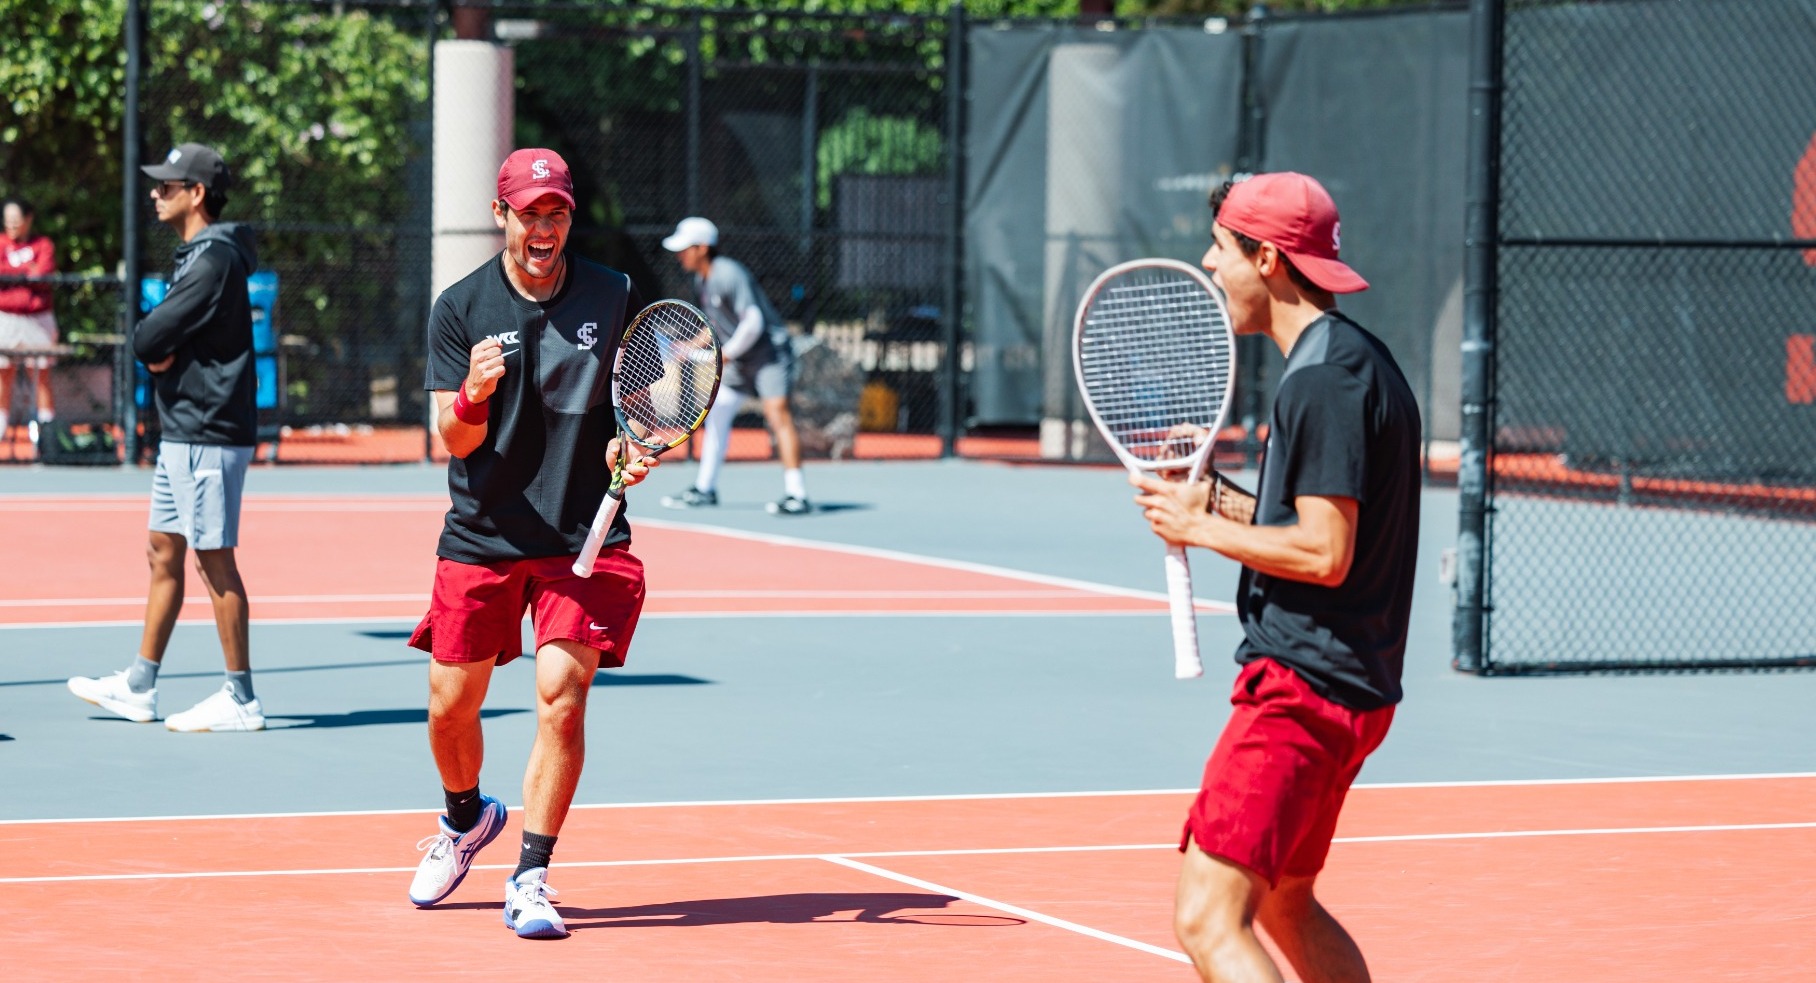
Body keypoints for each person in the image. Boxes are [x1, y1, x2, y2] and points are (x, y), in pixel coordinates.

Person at [1130, 172, 1420, 983]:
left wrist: (1199, 526)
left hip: (1302, 691)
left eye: (1220, 247)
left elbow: (1325, 553)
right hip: (1350, 685)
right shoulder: (1353, 361)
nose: (1207, 262)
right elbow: (1313, 520)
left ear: (1266, 256)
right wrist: (1214, 492)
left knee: (1207, 918)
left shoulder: (1322, 381)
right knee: (1288, 901)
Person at [405, 148, 659, 940]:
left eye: (556, 214)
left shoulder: (613, 293)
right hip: (482, 530)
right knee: (451, 709)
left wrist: (635, 445)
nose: (543, 228)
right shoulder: (459, 307)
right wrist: (475, 392)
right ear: (501, 216)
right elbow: (453, 436)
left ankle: (532, 873)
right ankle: (464, 818)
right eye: (529, 214)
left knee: (562, 698)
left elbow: (640, 400)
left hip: (581, 535)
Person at [66, 143, 264, 733]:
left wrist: (155, 352)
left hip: (208, 428)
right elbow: (157, 339)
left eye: (167, 186)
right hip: (184, 427)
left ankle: (241, 698)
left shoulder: (213, 260)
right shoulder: (199, 255)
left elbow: (149, 337)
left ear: (196, 194)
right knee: (163, 547)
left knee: (213, 559)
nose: (155, 193)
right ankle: (139, 685)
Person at [658, 216, 811, 515]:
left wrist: (725, 354)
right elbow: (715, 324)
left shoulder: (728, 273)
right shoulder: (703, 279)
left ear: (702, 248)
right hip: (740, 360)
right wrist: (688, 347)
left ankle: (797, 494)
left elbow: (753, 323)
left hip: (769, 354)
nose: (679, 255)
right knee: (717, 413)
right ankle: (705, 488)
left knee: (777, 414)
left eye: (685, 248)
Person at [0, 196, 58, 445]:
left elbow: (43, 275)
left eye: (16, 220)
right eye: (7, 220)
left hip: (38, 319)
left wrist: (12, 277)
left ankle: (45, 434)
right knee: (4, 373)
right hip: (7, 318)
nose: (12, 225)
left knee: (41, 373)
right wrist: (26, 272)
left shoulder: (43, 244)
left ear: (28, 218)